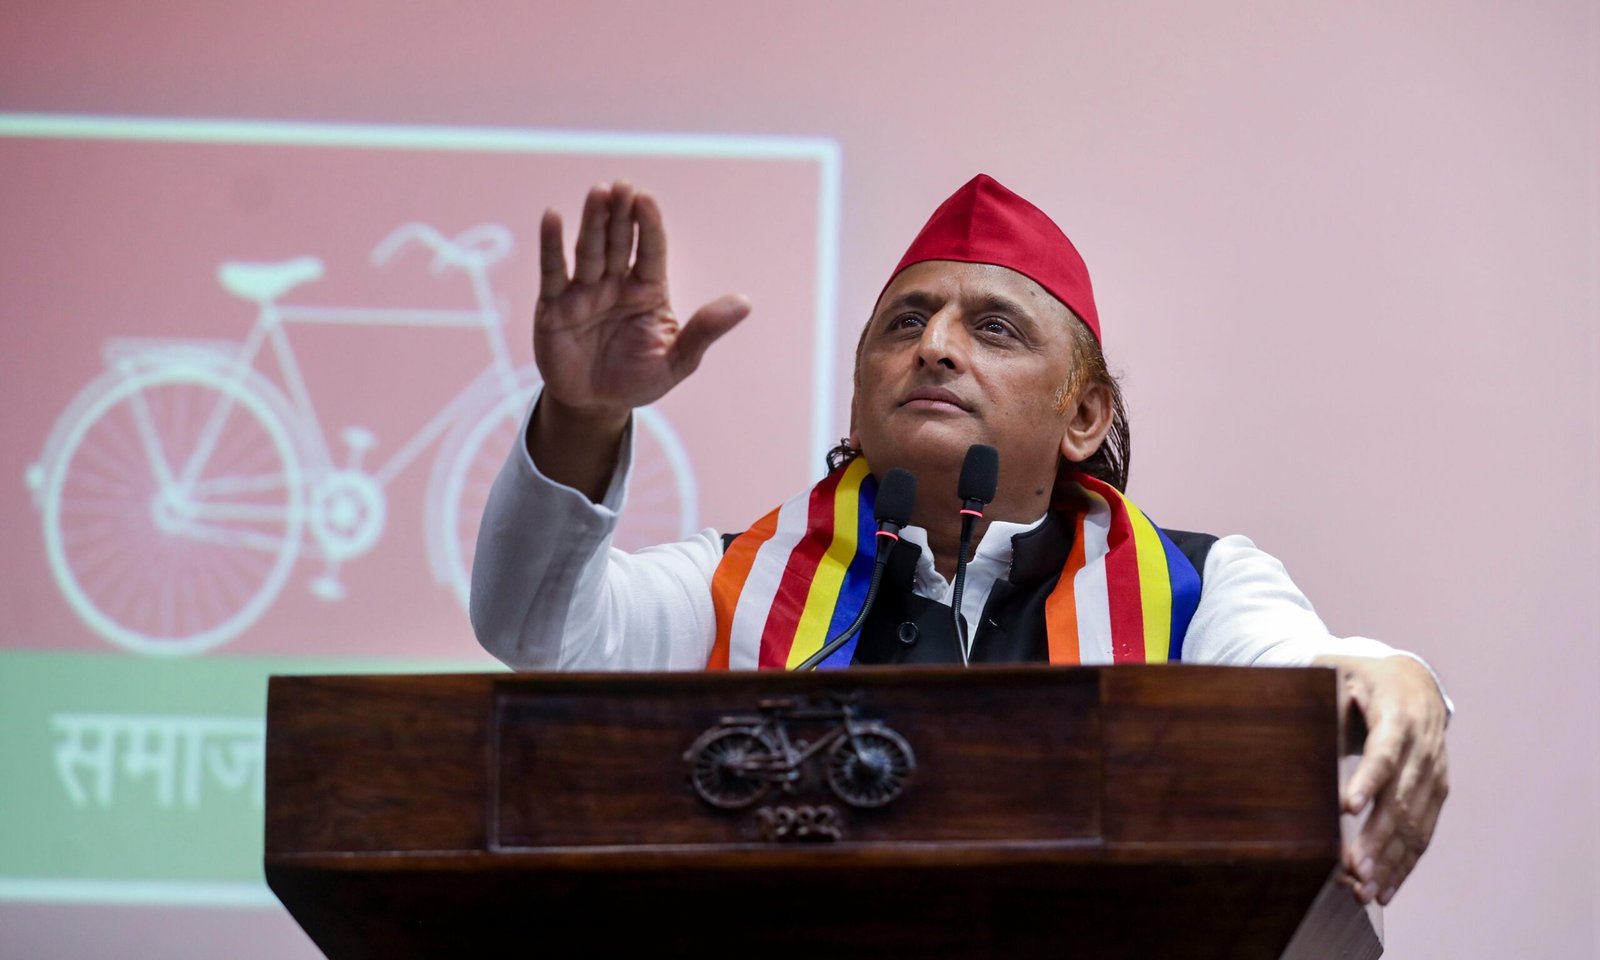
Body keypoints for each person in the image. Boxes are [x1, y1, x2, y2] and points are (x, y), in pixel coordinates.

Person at [471, 174, 1450, 908]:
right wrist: (582, 415)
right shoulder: (736, 580)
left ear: (1084, 416)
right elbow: (538, 631)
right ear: (859, 397)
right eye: (905, 322)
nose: (935, 345)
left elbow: (1306, 673)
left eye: (994, 328)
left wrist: (1391, 676)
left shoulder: (1197, 587)